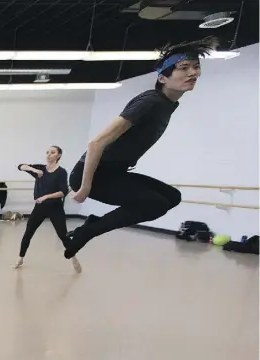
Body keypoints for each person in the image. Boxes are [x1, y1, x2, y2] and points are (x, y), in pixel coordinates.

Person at [65, 37, 217, 259]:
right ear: (163, 77)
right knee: (155, 204)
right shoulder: (150, 102)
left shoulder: (168, 103)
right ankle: (86, 232)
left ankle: (92, 225)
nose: (192, 73)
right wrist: (86, 186)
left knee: (171, 197)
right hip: (94, 174)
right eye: (183, 68)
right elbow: (96, 143)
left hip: (114, 172)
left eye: (196, 67)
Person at [14, 146, 81, 273]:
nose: (49, 154)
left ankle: (73, 258)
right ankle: (20, 258)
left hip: (55, 208)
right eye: (47, 152)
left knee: (63, 236)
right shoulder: (40, 169)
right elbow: (20, 166)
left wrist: (45, 196)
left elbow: (63, 191)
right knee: (28, 232)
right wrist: (34, 170)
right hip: (40, 208)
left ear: (58, 156)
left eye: (52, 152)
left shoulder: (61, 172)